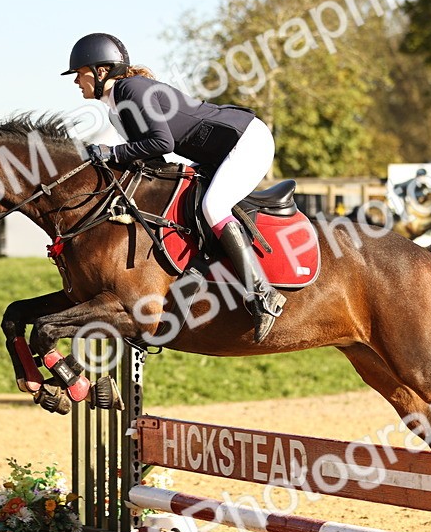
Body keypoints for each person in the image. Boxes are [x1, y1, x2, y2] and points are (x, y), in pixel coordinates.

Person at [64, 32, 284, 342]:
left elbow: (161, 142)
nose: (76, 81)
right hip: (217, 153)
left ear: (101, 71)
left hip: (246, 141)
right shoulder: (116, 107)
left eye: (79, 73)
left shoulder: (131, 89)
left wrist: (111, 153)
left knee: (213, 207)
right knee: (186, 202)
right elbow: (153, 158)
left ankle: (263, 294)